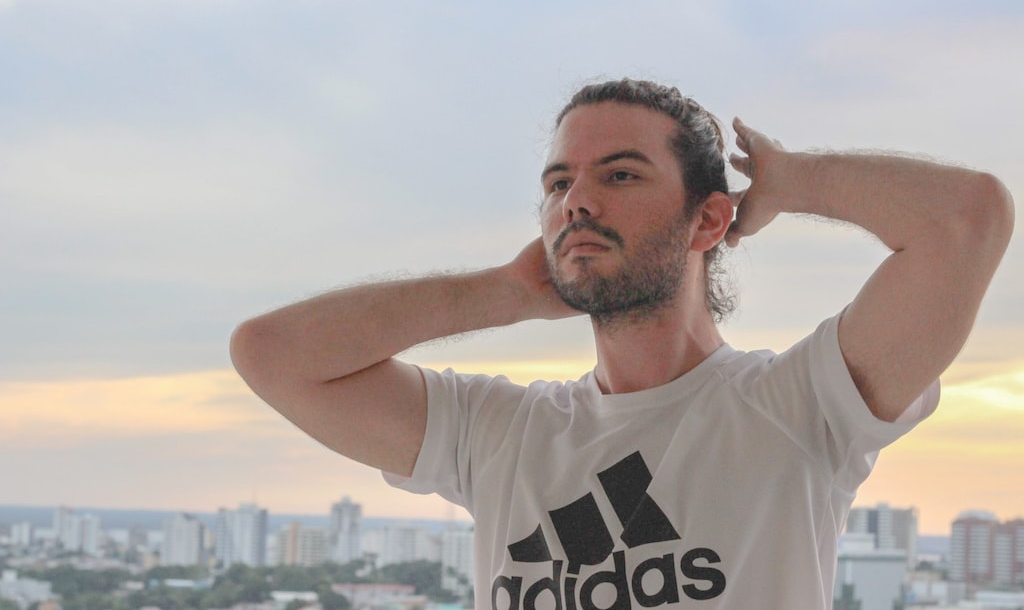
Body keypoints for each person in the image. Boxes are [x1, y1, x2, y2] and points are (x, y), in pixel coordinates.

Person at [230, 79, 1014, 609]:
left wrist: (795, 179)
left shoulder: (799, 407)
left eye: (621, 175)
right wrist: (506, 292)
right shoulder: (499, 433)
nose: (577, 201)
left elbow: (967, 219)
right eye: (558, 183)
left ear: (708, 219)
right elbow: (270, 353)